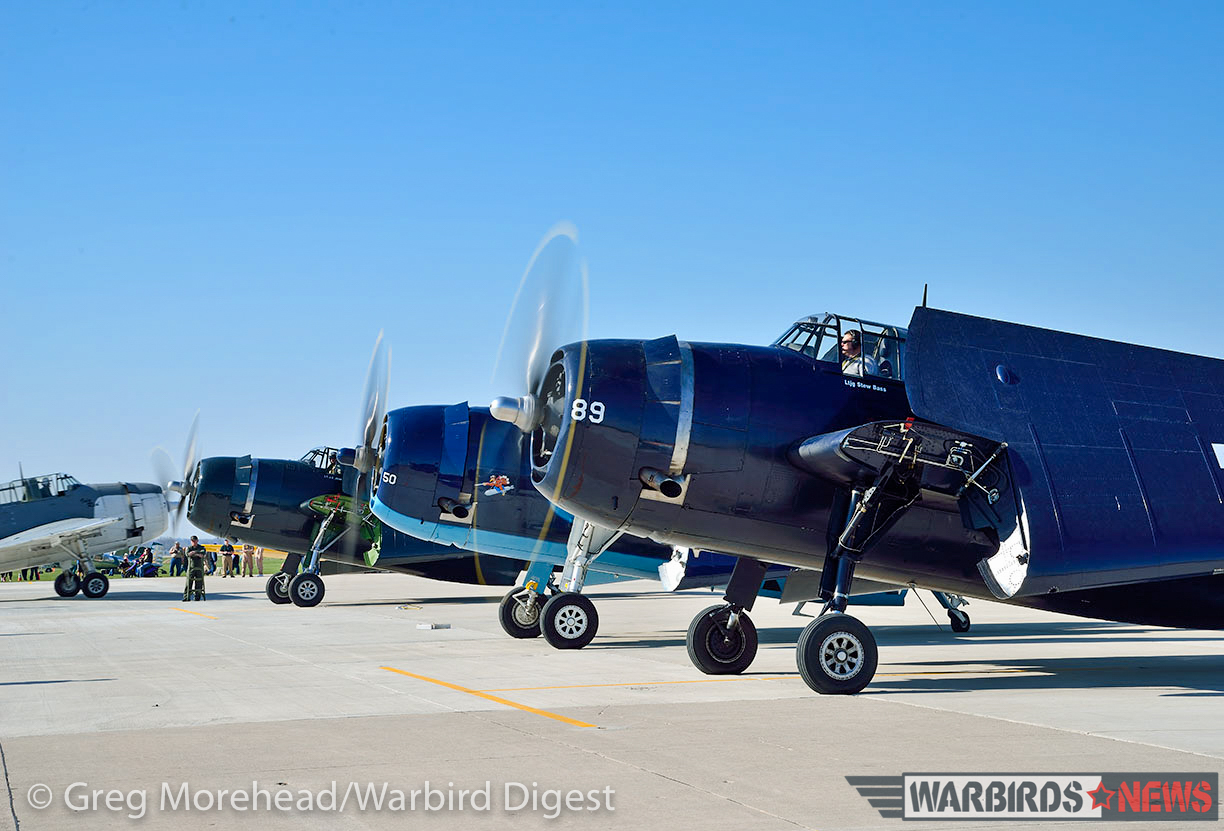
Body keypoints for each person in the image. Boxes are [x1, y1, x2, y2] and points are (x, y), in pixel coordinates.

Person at [183, 535, 207, 601]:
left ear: (197, 541)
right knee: (188, 583)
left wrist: (194, 553)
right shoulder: (189, 548)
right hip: (191, 568)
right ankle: (186, 597)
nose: (194, 542)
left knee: (199, 582)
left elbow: (202, 554)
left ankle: (197, 597)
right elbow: (188, 554)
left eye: (195, 541)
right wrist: (197, 554)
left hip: (199, 567)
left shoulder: (201, 547)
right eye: (192, 541)